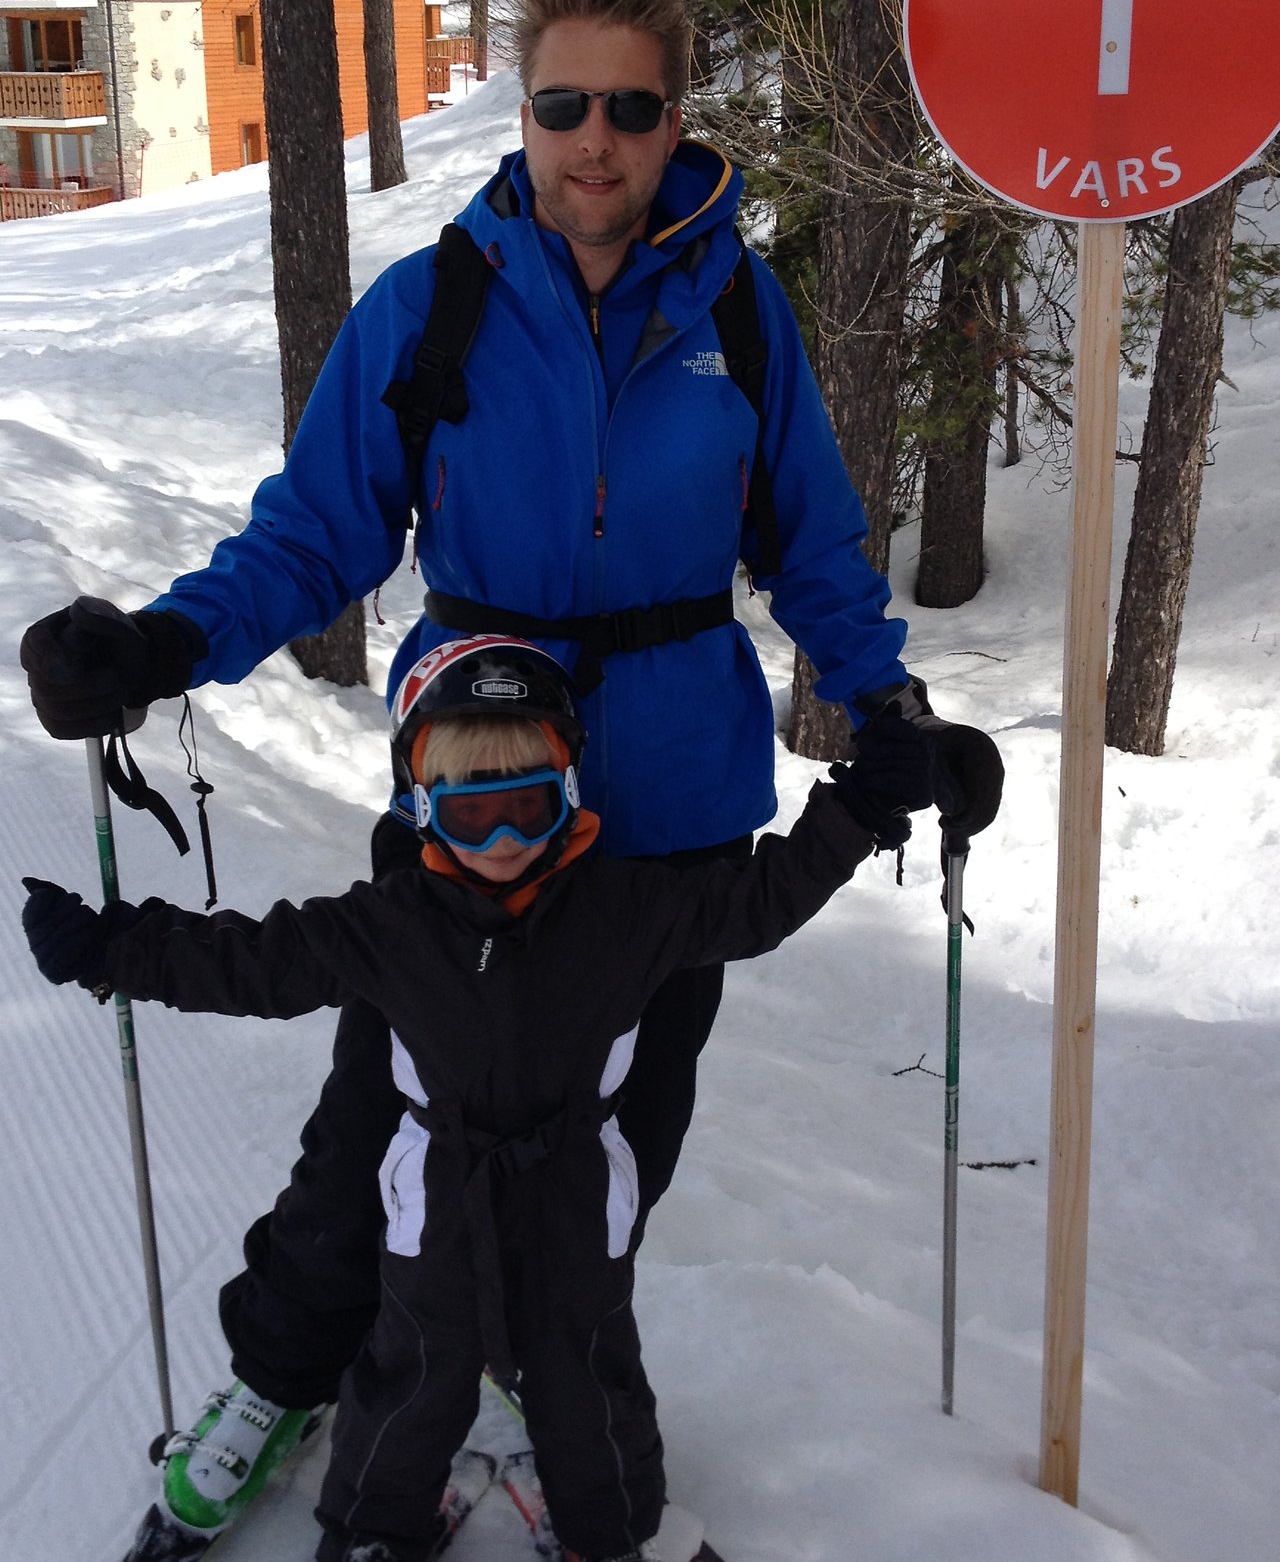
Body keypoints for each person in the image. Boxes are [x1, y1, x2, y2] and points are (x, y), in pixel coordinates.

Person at [18, 0, 1003, 1539]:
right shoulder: (438, 303)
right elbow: (317, 531)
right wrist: (164, 642)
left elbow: (814, 542)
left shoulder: (737, 310)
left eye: (628, 106)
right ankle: (286, 1369)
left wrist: (891, 715)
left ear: (675, 118)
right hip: (469, 791)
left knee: (612, 1149)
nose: (594, 141)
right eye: (562, 105)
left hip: (672, 811)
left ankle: (542, 1379)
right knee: (372, 1136)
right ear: (521, 111)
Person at [23, 636, 901, 1562]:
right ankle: (371, 1530)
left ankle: (612, 1529)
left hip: (574, 1204)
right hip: (434, 1201)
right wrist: (114, 948)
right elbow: (254, 960)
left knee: (590, 1374)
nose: (507, 841)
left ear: (571, 787)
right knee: (409, 1373)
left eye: (529, 807)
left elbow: (763, 897)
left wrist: (863, 803)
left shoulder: (630, 909)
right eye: (471, 817)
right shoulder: (392, 923)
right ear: (421, 809)